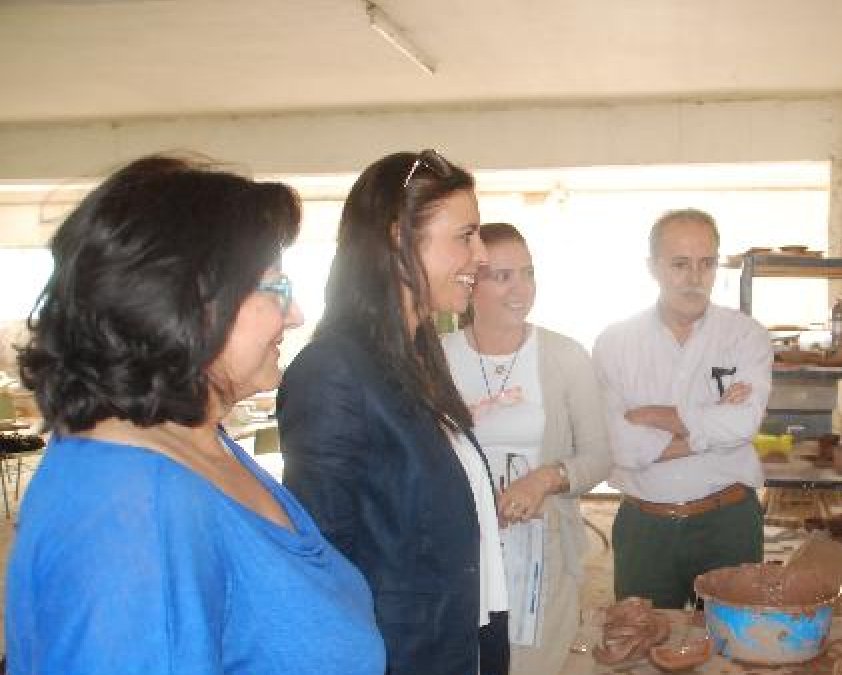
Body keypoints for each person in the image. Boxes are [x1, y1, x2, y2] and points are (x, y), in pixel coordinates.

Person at [5, 155, 385, 674]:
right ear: (186, 302)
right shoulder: (128, 509)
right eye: (275, 289)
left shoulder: (198, 443)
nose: (294, 315)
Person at [278, 150, 509, 675]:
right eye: (464, 236)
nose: (481, 255)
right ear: (398, 237)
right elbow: (322, 565)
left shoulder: (422, 355)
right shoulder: (333, 371)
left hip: (459, 646)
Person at [442, 222, 612, 675]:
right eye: (503, 276)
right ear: (470, 281)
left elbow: (598, 455)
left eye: (528, 272)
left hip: (542, 551)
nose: (522, 289)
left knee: (531, 665)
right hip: (460, 552)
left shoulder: (566, 356)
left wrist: (545, 478)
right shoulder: (436, 358)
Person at [592, 208, 772, 609]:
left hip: (728, 522)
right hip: (644, 528)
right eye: (680, 264)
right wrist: (711, 428)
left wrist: (654, 417)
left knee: (733, 648)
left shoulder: (745, 335)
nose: (695, 278)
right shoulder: (615, 342)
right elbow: (618, 445)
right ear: (652, 267)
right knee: (642, 648)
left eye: (706, 263)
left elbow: (744, 424)